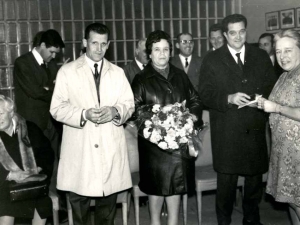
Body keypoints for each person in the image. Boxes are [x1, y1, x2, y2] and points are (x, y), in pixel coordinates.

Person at [50, 22, 134, 225]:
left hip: (109, 149)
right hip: (80, 152)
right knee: (79, 213)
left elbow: (129, 105)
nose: (99, 49)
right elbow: (56, 109)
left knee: (107, 214)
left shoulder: (117, 72)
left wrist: (115, 111)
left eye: (103, 44)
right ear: (85, 42)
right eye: (94, 43)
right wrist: (83, 114)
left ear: (109, 45)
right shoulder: (67, 72)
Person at [198, 14, 277, 225]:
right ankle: (224, 222)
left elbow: (272, 85)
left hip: (254, 128)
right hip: (227, 132)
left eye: (242, 31)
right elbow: (204, 94)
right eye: (232, 32)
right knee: (226, 185)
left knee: (253, 183)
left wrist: (264, 97)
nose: (238, 36)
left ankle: (251, 220)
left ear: (246, 31)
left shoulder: (260, 56)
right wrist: (228, 98)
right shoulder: (212, 59)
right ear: (225, 35)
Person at [131, 30, 203, 225]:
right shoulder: (141, 79)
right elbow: (135, 110)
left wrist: (189, 118)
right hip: (154, 148)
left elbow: (195, 100)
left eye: (165, 49)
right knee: (156, 190)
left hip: (179, 146)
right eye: (156, 50)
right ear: (149, 53)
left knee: (176, 188)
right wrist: (158, 122)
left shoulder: (180, 75)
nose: (162, 54)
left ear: (170, 51)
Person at [257, 29, 300, 225]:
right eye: (279, 51)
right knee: (291, 202)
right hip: (284, 152)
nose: (283, 56)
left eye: (288, 50)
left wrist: (275, 107)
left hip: (298, 155)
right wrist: (265, 103)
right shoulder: (284, 75)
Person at [0, 95, 54, 225]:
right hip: (4, 186)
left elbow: (46, 153)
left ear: (11, 113)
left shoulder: (29, 128)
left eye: (0, 113)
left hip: (31, 184)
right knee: (6, 204)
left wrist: (37, 168)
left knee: (42, 203)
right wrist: (10, 175)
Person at [13, 29, 65, 160]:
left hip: (52, 122)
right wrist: (52, 88)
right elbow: (35, 91)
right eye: (51, 52)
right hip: (32, 123)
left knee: (53, 160)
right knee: (36, 162)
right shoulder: (22, 63)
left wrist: (48, 88)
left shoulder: (51, 63)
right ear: (42, 45)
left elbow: (56, 88)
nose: (54, 56)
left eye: (55, 53)